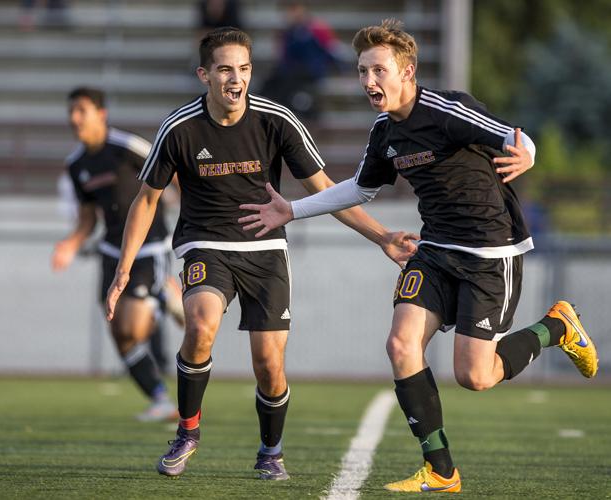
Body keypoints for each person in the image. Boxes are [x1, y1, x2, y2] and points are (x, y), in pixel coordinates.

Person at [238, 19, 599, 493]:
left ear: (407, 71)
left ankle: (557, 326)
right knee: (400, 345)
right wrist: (292, 209)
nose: (369, 81)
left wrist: (527, 151)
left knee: (475, 375)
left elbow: (514, 136)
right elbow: (361, 189)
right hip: (434, 251)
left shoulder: (448, 110)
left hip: (491, 252)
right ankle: (441, 469)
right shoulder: (385, 131)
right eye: (363, 71)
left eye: (378, 71)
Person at [105, 27, 417, 481]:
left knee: (269, 365)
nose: (237, 79)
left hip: (266, 250)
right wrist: (123, 269)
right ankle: (187, 432)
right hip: (205, 244)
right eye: (226, 69)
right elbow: (146, 200)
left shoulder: (278, 120)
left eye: (245, 69)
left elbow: (325, 191)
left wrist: (383, 237)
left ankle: (271, 451)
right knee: (200, 324)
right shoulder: (179, 128)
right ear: (204, 75)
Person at [52, 86, 180, 422]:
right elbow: (87, 217)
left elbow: (173, 171)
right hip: (111, 251)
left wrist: (185, 206)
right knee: (119, 333)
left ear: (101, 114)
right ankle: (160, 399)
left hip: (149, 247)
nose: (75, 118)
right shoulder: (76, 164)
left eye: (81, 110)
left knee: (134, 327)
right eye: (71, 111)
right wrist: (70, 243)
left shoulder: (127, 147)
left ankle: (165, 295)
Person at [260, 1, 344, 120]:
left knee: (285, 86)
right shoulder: (287, 32)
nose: (292, 14)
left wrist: (342, 69)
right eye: (290, 10)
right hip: (291, 71)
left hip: (311, 70)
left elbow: (332, 50)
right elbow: (283, 58)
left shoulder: (317, 28)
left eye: (295, 9)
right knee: (270, 82)